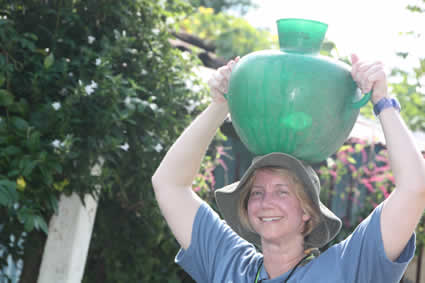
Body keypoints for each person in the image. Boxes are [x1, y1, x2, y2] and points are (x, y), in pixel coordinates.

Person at [151, 54, 425, 282]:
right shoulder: (229, 263)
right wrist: (220, 105)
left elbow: (414, 188)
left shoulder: (347, 268)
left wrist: (383, 102)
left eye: (281, 192)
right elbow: (168, 184)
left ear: (308, 211)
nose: (265, 202)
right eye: (256, 193)